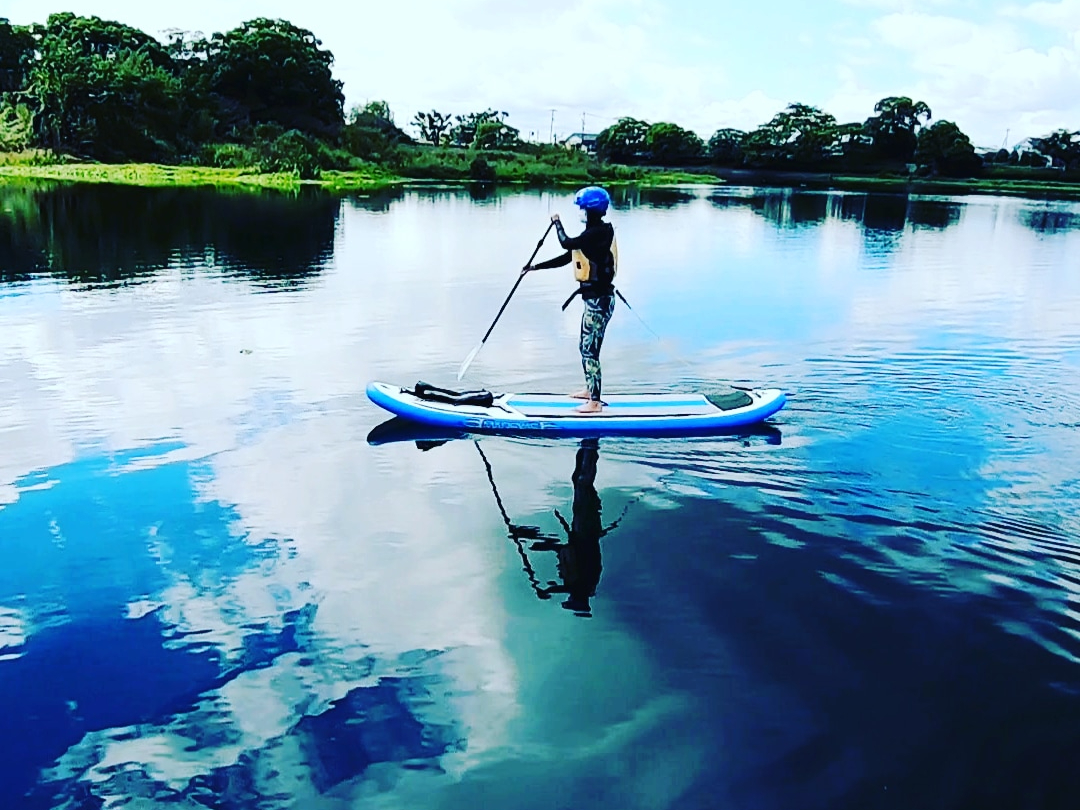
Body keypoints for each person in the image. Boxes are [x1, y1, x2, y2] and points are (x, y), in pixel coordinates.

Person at [523, 186, 617, 414]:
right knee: (585, 347)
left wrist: (557, 223)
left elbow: (566, 242)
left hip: (599, 301)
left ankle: (595, 403)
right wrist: (534, 267)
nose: (580, 213)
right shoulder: (593, 234)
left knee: (589, 350)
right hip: (595, 299)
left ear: (591, 210)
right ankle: (590, 390)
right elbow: (568, 256)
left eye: (582, 209)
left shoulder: (596, 233)